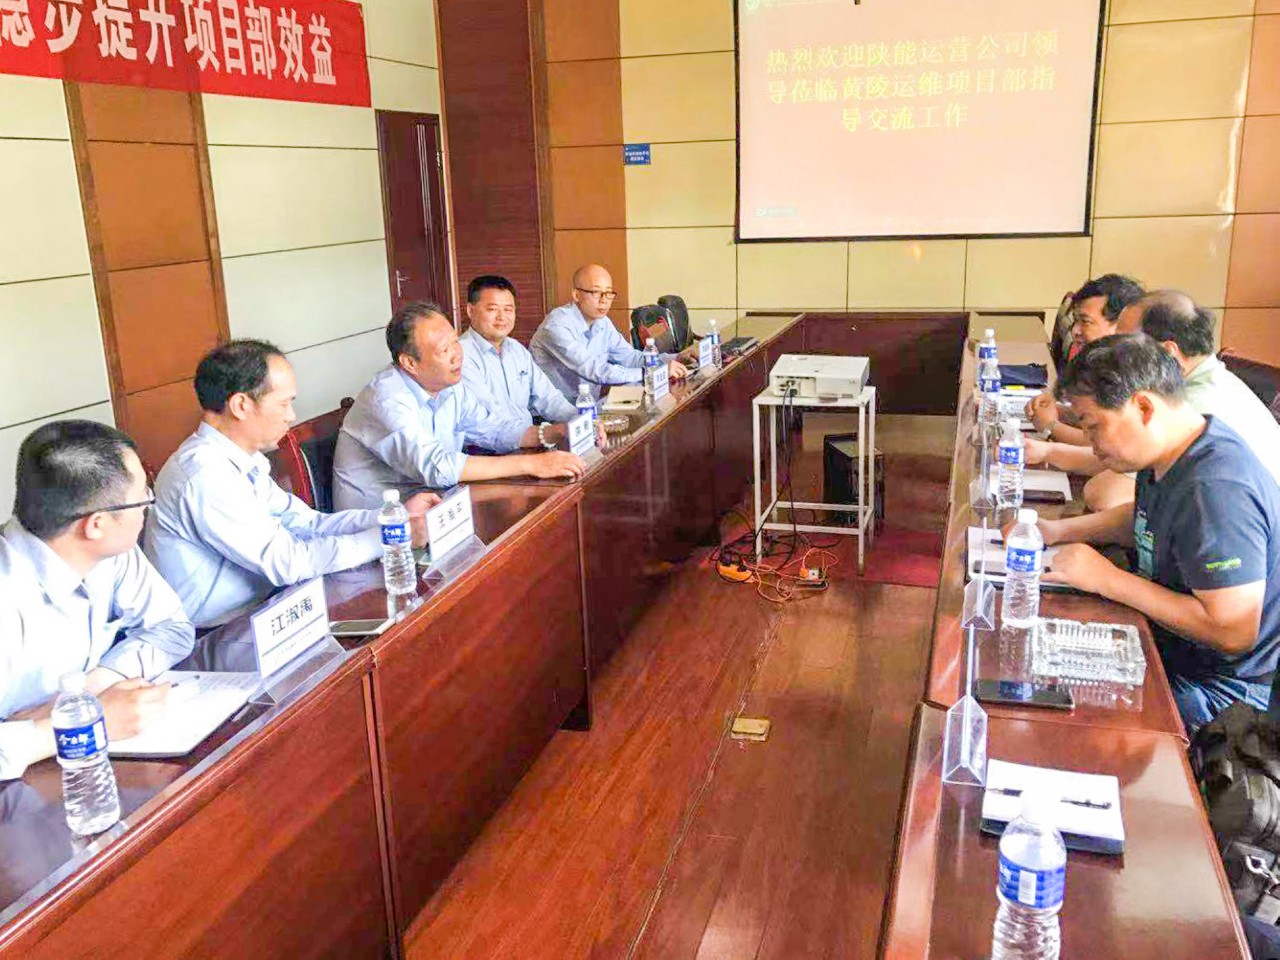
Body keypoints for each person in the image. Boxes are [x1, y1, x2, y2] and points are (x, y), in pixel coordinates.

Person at [1023, 335, 1280, 735]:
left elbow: (1233, 631)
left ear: (1143, 407)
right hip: (1173, 650)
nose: (1091, 443)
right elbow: (1146, 519)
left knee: (1058, 722)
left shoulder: (1216, 490)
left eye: (1094, 427)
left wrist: (1108, 580)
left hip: (1218, 693)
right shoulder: (1176, 448)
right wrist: (1059, 530)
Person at [145, 340, 440, 628]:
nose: (291, 416)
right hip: (218, 634)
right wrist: (391, 536)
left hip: (266, 611)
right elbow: (288, 563)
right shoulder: (204, 475)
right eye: (283, 404)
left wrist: (394, 517)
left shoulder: (243, 459)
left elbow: (308, 524)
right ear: (241, 405)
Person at [1, 421, 195, 780]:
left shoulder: (111, 552)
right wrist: (85, 722)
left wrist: (91, 688)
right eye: (143, 496)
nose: (149, 503)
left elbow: (173, 628)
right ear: (96, 524)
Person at [1025, 291, 1280, 508]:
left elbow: (1110, 490)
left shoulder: (1190, 406)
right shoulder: (1202, 382)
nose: (1113, 355)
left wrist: (1051, 438)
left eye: (1125, 347)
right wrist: (1068, 421)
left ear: (1167, 352)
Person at [333, 302, 588, 511]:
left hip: (438, 508)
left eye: (456, 342)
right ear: (410, 363)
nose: (457, 355)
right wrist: (531, 464)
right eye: (445, 350)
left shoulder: (449, 385)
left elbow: (491, 428)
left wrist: (552, 433)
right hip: (383, 527)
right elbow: (437, 466)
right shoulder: (386, 398)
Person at [459, 275, 604, 444]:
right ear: (470, 310)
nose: (502, 317)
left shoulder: (516, 350)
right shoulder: (461, 355)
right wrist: (546, 434)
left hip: (528, 443)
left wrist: (583, 421)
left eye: (508, 309)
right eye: (492, 309)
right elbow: (490, 424)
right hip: (487, 451)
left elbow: (549, 398)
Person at [529, 263, 690, 402]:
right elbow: (595, 370)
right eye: (596, 292)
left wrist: (676, 358)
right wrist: (651, 373)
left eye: (608, 293)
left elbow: (631, 359)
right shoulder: (557, 326)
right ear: (576, 295)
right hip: (552, 416)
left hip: (586, 407)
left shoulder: (602, 322)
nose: (604, 300)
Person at [1025, 274, 1146, 449]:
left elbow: (1110, 444)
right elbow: (1099, 419)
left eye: (1085, 321)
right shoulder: (1103, 360)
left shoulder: (1137, 371)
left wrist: (1051, 427)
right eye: (1075, 321)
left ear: (1122, 323)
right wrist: (1060, 411)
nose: (1075, 331)